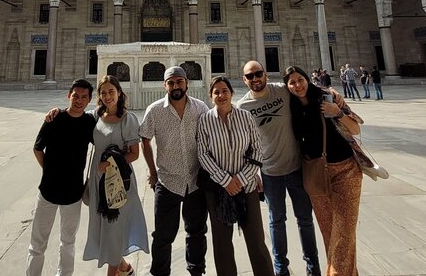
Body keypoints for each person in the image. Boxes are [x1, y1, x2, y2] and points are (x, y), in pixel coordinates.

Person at [44, 75, 149, 276]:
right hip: (98, 181)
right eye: (103, 92)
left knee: (114, 230)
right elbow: (75, 114)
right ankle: (126, 269)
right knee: (106, 229)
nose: (108, 96)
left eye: (111, 91)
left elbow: (134, 153)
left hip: (117, 182)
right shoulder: (95, 116)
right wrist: (56, 111)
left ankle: (115, 271)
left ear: (119, 92)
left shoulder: (127, 119)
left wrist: (110, 164)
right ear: (99, 96)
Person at [238, 61, 321, 276]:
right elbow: (242, 143)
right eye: (250, 76)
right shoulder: (243, 107)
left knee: (305, 220)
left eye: (258, 74)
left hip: (296, 167)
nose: (255, 79)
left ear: (265, 74)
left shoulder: (282, 92)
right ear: (244, 80)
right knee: (276, 221)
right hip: (270, 173)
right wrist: (252, 173)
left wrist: (333, 95)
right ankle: (280, 268)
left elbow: (304, 89)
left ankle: (313, 266)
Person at [283, 66, 364, 276]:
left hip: (345, 171)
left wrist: (337, 113)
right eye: (292, 82)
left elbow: (355, 129)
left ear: (307, 79)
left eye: (300, 79)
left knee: (344, 233)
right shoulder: (289, 106)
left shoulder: (327, 97)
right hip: (316, 176)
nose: (297, 85)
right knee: (331, 234)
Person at [197, 76, 273, 276]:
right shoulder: (205, 120)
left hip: (246, 188)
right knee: (222, 243)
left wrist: (240, 179)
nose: (221, 95)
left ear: (231, 93)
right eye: (216, 92)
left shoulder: (245, 117)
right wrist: (225, 181)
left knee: (256, 240)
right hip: (218, 191)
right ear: (211, 96)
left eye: (225, 91)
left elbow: (257, 150)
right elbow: (203, 154)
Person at [140, 66, 209, 276]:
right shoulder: (155, 110)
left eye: (179, 82)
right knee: (163, 235)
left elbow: (212, 136)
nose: (176, 86)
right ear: (165, 85)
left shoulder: (200, 108)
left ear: (187, 83)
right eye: (171, 83)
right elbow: (145, 139)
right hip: (167, 181)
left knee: (196, 232)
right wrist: (152, 172)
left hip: (196, 180)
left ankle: (196, 270)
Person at [27, 79, 96, 276]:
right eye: (76, 96)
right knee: (37, 244)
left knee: (68, 242)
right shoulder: (54, 119)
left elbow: (103, 140)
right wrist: (48, 169)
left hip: (73, 194)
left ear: (89, 100)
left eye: (84, 97)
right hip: (48, 191)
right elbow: (38, 148)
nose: (79, 100)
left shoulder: (89, 122)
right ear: (69, 96)